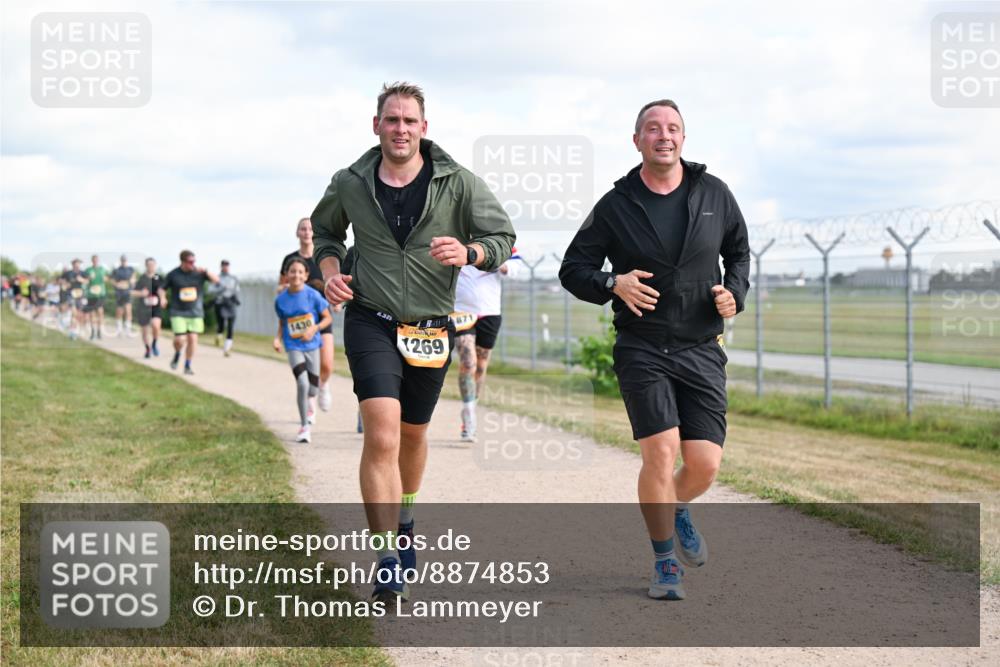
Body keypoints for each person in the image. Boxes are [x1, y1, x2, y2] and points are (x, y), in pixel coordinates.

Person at [312, 81, 515, 602]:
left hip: (430, 326)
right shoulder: (351, 181)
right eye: (391, 119)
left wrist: (469, 253)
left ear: (424, 128)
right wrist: (332, 271)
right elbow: (326, 233)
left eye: (409, 121)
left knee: (413, 435)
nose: (400, 129)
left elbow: (503, 238)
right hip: (370, 319)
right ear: (376, 125)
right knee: (381, 435)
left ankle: (405, 521)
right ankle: (384, 556)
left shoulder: (458, 182)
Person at [559, 99, 750, 601]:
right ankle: (665, 562)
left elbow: (739, 252)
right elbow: (572, 270)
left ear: (683, 138)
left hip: (701, 345)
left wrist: (737, 293)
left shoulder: (714, 193)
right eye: (652, 128)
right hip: (642, 346)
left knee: (705, 463)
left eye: (673, 128)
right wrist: (612, 282)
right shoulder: (616, 204)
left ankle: (678, 507)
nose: (663, 135)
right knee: (661, 454)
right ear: (637, 139)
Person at [452, 249, 521, 441]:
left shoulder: (498, 240)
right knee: (468, 363)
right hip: (461, 312)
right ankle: (469, 413)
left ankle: (472, 406)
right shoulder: (457, 235)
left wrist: (497, 262)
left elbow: (517, 266)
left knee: (481, 367)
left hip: (489, 312)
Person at [273, 257, 333, 443]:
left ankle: (312, 399)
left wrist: (314, 328)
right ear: (287, 276)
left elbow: (327, 318)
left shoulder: (313, 295)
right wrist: (278, 338)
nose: (296, 275)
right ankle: (304, 426)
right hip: (293, 346)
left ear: (306, 275)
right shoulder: (280, 300)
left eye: (300, 272)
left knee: (312, 388)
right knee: (302, 383)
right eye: (292, 271)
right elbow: (283, 322)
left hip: (312, 345)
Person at [280, 218, 335, 411]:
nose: (306, 232)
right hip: (300, 319)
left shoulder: (324, 258)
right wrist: (288, 287)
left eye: (310, 229)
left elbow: (333, 282)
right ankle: (309, 401)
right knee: (304, 365)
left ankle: (323, 384)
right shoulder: (290, 260)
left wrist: (336, 300)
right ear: (297, 233)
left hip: (322, 316)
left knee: (326, 364)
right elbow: (281, 288)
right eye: (302, 229)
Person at [163, 250, 219, 375]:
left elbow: (216, 280)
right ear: (182, 262)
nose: (192, 264)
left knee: (193, 339)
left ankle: (187, 365)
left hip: (195, 312)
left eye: (194, 261)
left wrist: (206, 271)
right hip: (178, 311)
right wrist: (163, 298)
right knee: (179, 339)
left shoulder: (199, 273)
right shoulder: (173, 274)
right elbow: (162, 288)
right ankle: (177, 353)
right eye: (190, 262)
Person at [133, 257, 166, 358]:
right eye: (149, 265)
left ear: (155, 265)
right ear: (146, 266)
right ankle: (148, 349)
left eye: (153, 265)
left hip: (155, 306)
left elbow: (162, 290)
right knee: (145, 331)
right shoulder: (142, 278)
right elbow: (133, 292)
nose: (151, 267)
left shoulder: (158, 277)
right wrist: (141, 293)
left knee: (156, 326)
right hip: (144, 307)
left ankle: (154, 343)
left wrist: (163, 298)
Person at [212, 260, 241, 356]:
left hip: (230, 303)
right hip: (220, 303)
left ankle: (227, 349)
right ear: (221, 267)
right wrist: (221, 289)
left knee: (231, 326)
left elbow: (237, 290)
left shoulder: (234, 278)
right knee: (221, 323)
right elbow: (211, 290)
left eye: (227, 266)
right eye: (223, 266)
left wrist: (234, 296)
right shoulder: (217, 278)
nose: (225, 268)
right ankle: (218, 336)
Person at [83, 255, 108, 339]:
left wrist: (105, 279)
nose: (95, 261)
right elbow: (85, 281)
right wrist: (88, 279)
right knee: (92, 314)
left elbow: (108, 278)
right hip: (91, 294)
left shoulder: (102, 269)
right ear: (92, 261)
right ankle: (93, 331)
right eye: (94, 260)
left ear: (98, 260)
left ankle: (99, 331)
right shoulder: (88, 270)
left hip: (101, 294)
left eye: (96, 260)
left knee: (100, 312)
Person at [62, 259, 88, 340]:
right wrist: (66, 285)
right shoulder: (68, 273)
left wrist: (82, 280)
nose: (77, 266)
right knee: (74, 313)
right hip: (71, 294)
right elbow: (62, 282)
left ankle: (77, 330)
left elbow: (87, 281)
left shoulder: (83, 273)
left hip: (80, 295)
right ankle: (73, 332)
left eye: (78, 264)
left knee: (79, 314)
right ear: (72, 264)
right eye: (75, 264)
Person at [110, 255, 136, 336]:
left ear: (126, 260)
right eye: (122, 260)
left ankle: (128, 330)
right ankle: (119, 329)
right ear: (120, 261)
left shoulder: (130, 269)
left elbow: (133, 278)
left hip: (128, 292)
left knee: (128, 310)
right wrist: (117, 284)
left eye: (125, 260)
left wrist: (132, 282)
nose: (123, 261)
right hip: (119, 293)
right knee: (119, 311)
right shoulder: (116, 270)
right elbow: (112, 280)